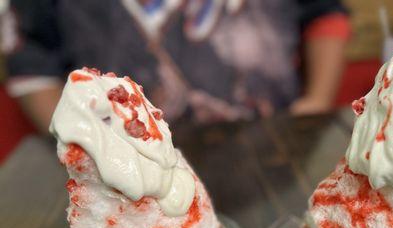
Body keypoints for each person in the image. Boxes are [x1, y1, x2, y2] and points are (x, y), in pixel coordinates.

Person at [2, 0, 350, 133]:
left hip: (275, 142)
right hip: (128, 168)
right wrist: (82, 141)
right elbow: (32, 65)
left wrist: (318, 100)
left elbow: (324, 14)